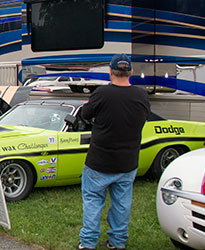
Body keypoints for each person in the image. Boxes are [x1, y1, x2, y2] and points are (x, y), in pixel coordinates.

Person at [77, 54, 150, 250]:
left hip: (99, 161)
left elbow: (85, 114)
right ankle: (118, 243)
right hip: (127, 161)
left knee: (93, 202)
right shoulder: (141, 95)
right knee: (121, 203)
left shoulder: (102, 94)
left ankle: (88, 243)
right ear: (131, 72)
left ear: (110, 71)